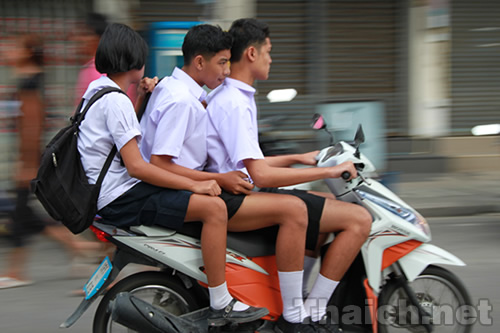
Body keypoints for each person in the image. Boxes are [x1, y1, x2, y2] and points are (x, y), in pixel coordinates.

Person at [140, 24, 328, 333]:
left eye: (228, 62)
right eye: (222, 62)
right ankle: (245, 306)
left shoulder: (185, 92)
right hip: (172, 190)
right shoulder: (183, 100)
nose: (227, 71)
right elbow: (160, 163)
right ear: (200, 62)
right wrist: (210, 181)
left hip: (186, 184)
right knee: (292, 210)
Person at [76, 22, 266, 326]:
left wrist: (140, 98)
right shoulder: (117, 101)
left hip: (109, 193)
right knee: (214, 209)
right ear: (133, 62)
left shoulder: (97, 91)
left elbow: (118, 141)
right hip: (121, 196)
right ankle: (221, 302)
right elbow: (140, 166)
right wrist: (198, 183)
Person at [205, 18, 372, 332]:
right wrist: (328, 170)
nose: (272, 58)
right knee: (359, 219)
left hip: (241, 190)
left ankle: (299, 300)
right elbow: (260, 175)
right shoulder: (234, 102)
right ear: (252, 54)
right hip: (235, 197)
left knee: (322, 204)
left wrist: (298, 157)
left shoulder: (236, 96)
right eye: (268, 51)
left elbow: (250, 162)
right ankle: (304, 314)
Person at [0, 33, 101, 289]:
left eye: (15, 46)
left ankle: (18, 270)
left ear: (27, 52)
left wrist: (26, 163)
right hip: (25, 157)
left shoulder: (30, 81)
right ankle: (78, 247)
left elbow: (32, 124)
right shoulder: (25, 78)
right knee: (24, 215)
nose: (8, 51)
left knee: (22, 213)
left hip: (28, 158)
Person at [73, 12, 137, 105]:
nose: (79, 39)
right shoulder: (118, 66)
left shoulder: (97, 71)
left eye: (85, 34)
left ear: (98, 38)